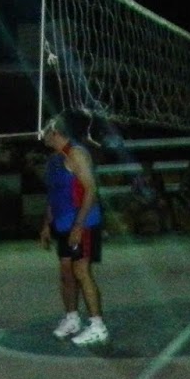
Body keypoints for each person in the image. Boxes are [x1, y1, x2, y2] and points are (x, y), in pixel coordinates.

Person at [41, 112, 109, 346]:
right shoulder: (54, 160)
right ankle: (72, 319)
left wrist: (79, 225)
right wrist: (46, 224)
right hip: (62, 224)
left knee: (81, 271)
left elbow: (91, 190)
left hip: (83, 223)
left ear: (55, 132)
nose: (42, 136)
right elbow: (53, 196)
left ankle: (98, 326)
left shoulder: (76, 154)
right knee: (66, 274)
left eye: (45, 131)